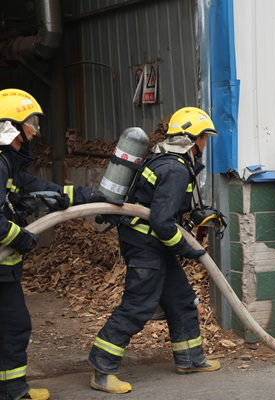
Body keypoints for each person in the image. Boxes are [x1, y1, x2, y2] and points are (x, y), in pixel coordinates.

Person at [88, 107, 220, 394]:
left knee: (182, 301)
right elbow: (162, 222)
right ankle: (102, 368)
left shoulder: (163, 159)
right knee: (138, 306)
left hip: (152, 243)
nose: (205, 144)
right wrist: (188, 249)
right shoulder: (175, 169)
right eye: (203, 138)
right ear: (192, 139)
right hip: (147, 245)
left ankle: (190, 359)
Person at [0, 88, 121, 400]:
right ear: (11, 127)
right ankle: (12, 390)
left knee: (11, 326)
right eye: (30, 123)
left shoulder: (8, 165)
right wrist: (22, 238)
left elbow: (45, 190)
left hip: (5, 269)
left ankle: (11, 388)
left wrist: (88, 196)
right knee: (14, 327)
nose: (34, 131)